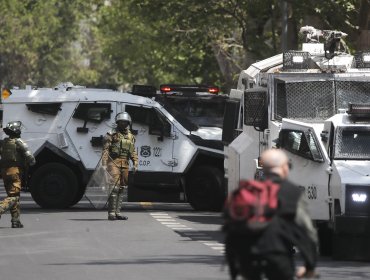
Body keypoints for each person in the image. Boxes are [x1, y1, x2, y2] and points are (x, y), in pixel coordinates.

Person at [225, 148, 318, 280]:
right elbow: (308, 232)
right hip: (278, 256)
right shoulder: (292, 192)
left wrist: (234, 269)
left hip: (248, 258)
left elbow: (231, 230)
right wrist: (310, 265)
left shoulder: (246, 191)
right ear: (284, 168)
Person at [102, 112, 138, 221]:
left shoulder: (131, 136)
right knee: (114, 188)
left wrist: (135, 163)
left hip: (125, 163)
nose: (123, 123)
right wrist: (104, 164)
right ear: (118, 122)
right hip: (113, 162)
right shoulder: (111, 134)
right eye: (121, 121)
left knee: (122, 188)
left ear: (128, 123)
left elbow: (133, 151)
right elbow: (106, 150)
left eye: (125, 122)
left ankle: (118, 212)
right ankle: (111, 213)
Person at [0, 121, 35, 228]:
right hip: (15, 171)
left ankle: (15, 221)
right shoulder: (19, 142)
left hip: (5, 172)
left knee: (14, 195)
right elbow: (31, 159)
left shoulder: (3, 142)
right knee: (14, 196)